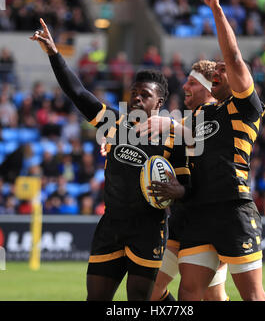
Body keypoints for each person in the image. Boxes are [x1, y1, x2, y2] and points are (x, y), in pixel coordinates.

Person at [30, 18, 190, 301]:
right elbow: (78, 93)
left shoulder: (173, 137)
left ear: (159, 102)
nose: (138, 99)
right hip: (111, 225)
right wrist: (55, 54)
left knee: (139, 301)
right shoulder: (113, 124)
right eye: (134, 94)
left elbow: (185, 186)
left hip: (149, 228)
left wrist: (177, 190)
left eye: (146, 95)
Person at [139, 0, 265, 301]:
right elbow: (180, 132)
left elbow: (235, 58)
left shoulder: (246, 107)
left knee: (253, 296)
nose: (219, 72)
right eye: (216, 72)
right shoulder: (201, 115)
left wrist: (216, 10)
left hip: (233, 208)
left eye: (223, 71)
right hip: (199, 213)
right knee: (189, 294)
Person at [150, 60, 229, 302]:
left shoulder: (218, 117)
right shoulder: (186, 122)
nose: (185, 86)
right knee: (151, 290)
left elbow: (197, 136)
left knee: (211, 296)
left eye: (192, 82)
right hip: (183, 217)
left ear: (209, 88)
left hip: (212, 219)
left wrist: (171, 123)